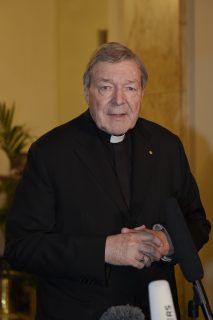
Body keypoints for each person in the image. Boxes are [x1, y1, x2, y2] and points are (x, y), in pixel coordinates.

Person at [4, 42, 211, 320]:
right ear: (87, 92)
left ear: (141, 93)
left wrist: (168, 242)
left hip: (155, 310)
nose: (119, 100)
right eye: (105, 87)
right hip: (78, 312)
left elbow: (197, 222)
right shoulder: (51, 152)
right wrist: (106, 250)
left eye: (130, 87)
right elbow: (22, 247)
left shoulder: (167, 147)